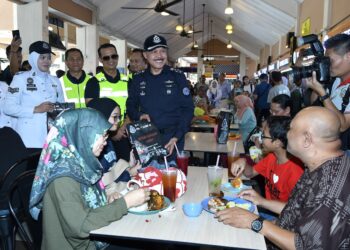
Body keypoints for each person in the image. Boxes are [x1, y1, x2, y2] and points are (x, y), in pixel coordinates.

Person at [217, 107, 350, 249]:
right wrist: (261, 202)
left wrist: (255, 222)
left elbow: (303, 246)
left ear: (307, 140)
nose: (286, 134)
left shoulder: (329, 191)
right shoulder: (321, 164)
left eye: (291, 129)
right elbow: (297, 211)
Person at [29, 109, 150, 250]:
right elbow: (80, 227)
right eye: (102, 136)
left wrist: (106, 199)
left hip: (94, 238)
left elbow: (85, 201)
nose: (105, 142)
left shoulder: (81, 163)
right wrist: (125, 203)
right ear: (82, 135)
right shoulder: (63, 178)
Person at [126, 34, 194, 159]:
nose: (159, 55)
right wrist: (139, 115)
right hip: (147, 138)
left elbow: (188, 109)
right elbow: (130, 105)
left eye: (163, 51)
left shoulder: (177, 77)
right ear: (145, 55)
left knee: (172, 175)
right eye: (154, 51)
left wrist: (177, 136)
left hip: (173, 139)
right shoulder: (138, 78)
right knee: (148, 175)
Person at [3, 41, 64, 149]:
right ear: (33, 58)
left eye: (49, 57)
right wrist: (35, 109)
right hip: (28, 140)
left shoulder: (55, 81)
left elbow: (62, 106)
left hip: (52, 141)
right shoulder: (20, 78)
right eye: (42, 57)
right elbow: (8, 108)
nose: (47, 61)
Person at [231, 115, 303, 203]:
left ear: (277, 143)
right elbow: (250, 173)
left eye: (263, 136)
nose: (260, 139)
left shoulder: (296, 171)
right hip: (268, 209)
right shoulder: (272, 157)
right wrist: (244, 162)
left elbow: (294, 211)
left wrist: (261, 201)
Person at [84, 43, 131, 161]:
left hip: (124, 133)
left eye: (113, 56)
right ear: (100, 59)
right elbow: (92, 111)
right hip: (102, 137)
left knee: (126, 169)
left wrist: (120, 130)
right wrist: (112, 133)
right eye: (106, 57)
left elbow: (134, 107)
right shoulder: (94, 82)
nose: (111, 60)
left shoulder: (128, 81)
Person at [306, 33, 350, 150]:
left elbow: (343, 125)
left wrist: (324, 95)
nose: (328, 65)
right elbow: (313, 104)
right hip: (326, 146)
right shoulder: (333, 80)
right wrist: (318, 85)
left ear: (348, 56)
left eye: (330, 61)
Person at [87, 97, 141, 182]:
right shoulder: (94, 145)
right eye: (115, 117)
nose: (118, 121)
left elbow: (113, 170)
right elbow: (99, 181)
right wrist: (129, 173)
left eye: (119, 117)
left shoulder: (107, 140)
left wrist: (129, 165)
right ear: (103, 115)